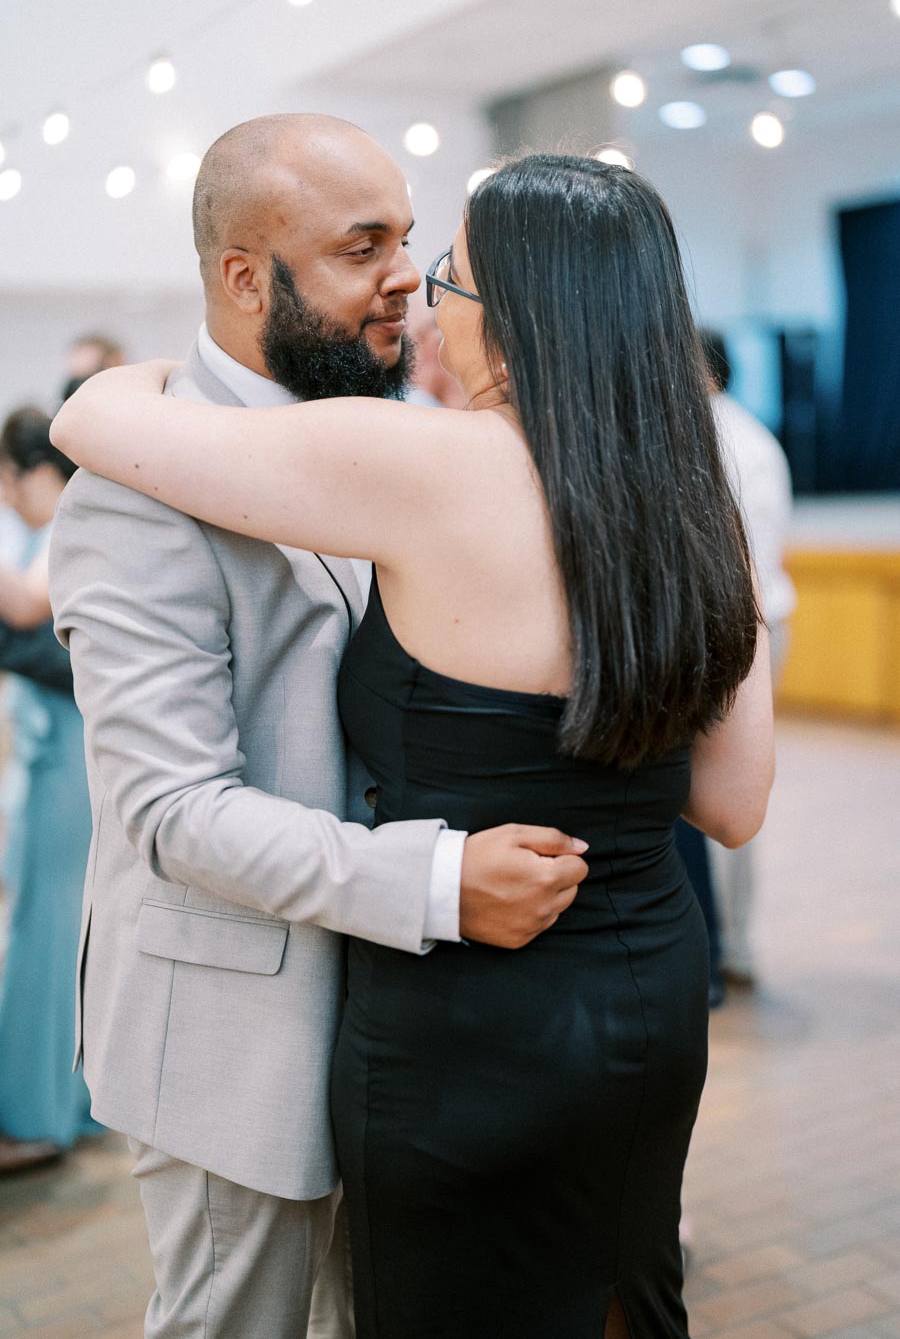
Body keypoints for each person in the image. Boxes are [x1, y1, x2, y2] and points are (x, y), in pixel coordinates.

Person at [53, 151, 775, 1339]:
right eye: (373, 251)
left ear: (518, 318)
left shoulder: (418, 461)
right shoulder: (694, 491)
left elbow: (90, 419)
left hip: (471, 1022)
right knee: (615, 1294)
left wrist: (131, 373)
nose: (415, 293)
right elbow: (736, 803)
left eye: (442, 271)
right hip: (643, 990)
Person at [0, 408, 100, 1172]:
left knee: (50, 925)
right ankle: (66, 1103)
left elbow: (26, 608)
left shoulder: (68, 520)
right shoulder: (44, 530)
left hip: (68, 750)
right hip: (51, 746)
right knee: (59, 925)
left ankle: (38, 1116)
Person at [702, 330, 796, 988]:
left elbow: (740, 566)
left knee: (725, 786)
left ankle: (732, 943)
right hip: (753, 620)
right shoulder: (745, 431)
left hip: (739, 628)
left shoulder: (729, 442)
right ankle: (729, 940)